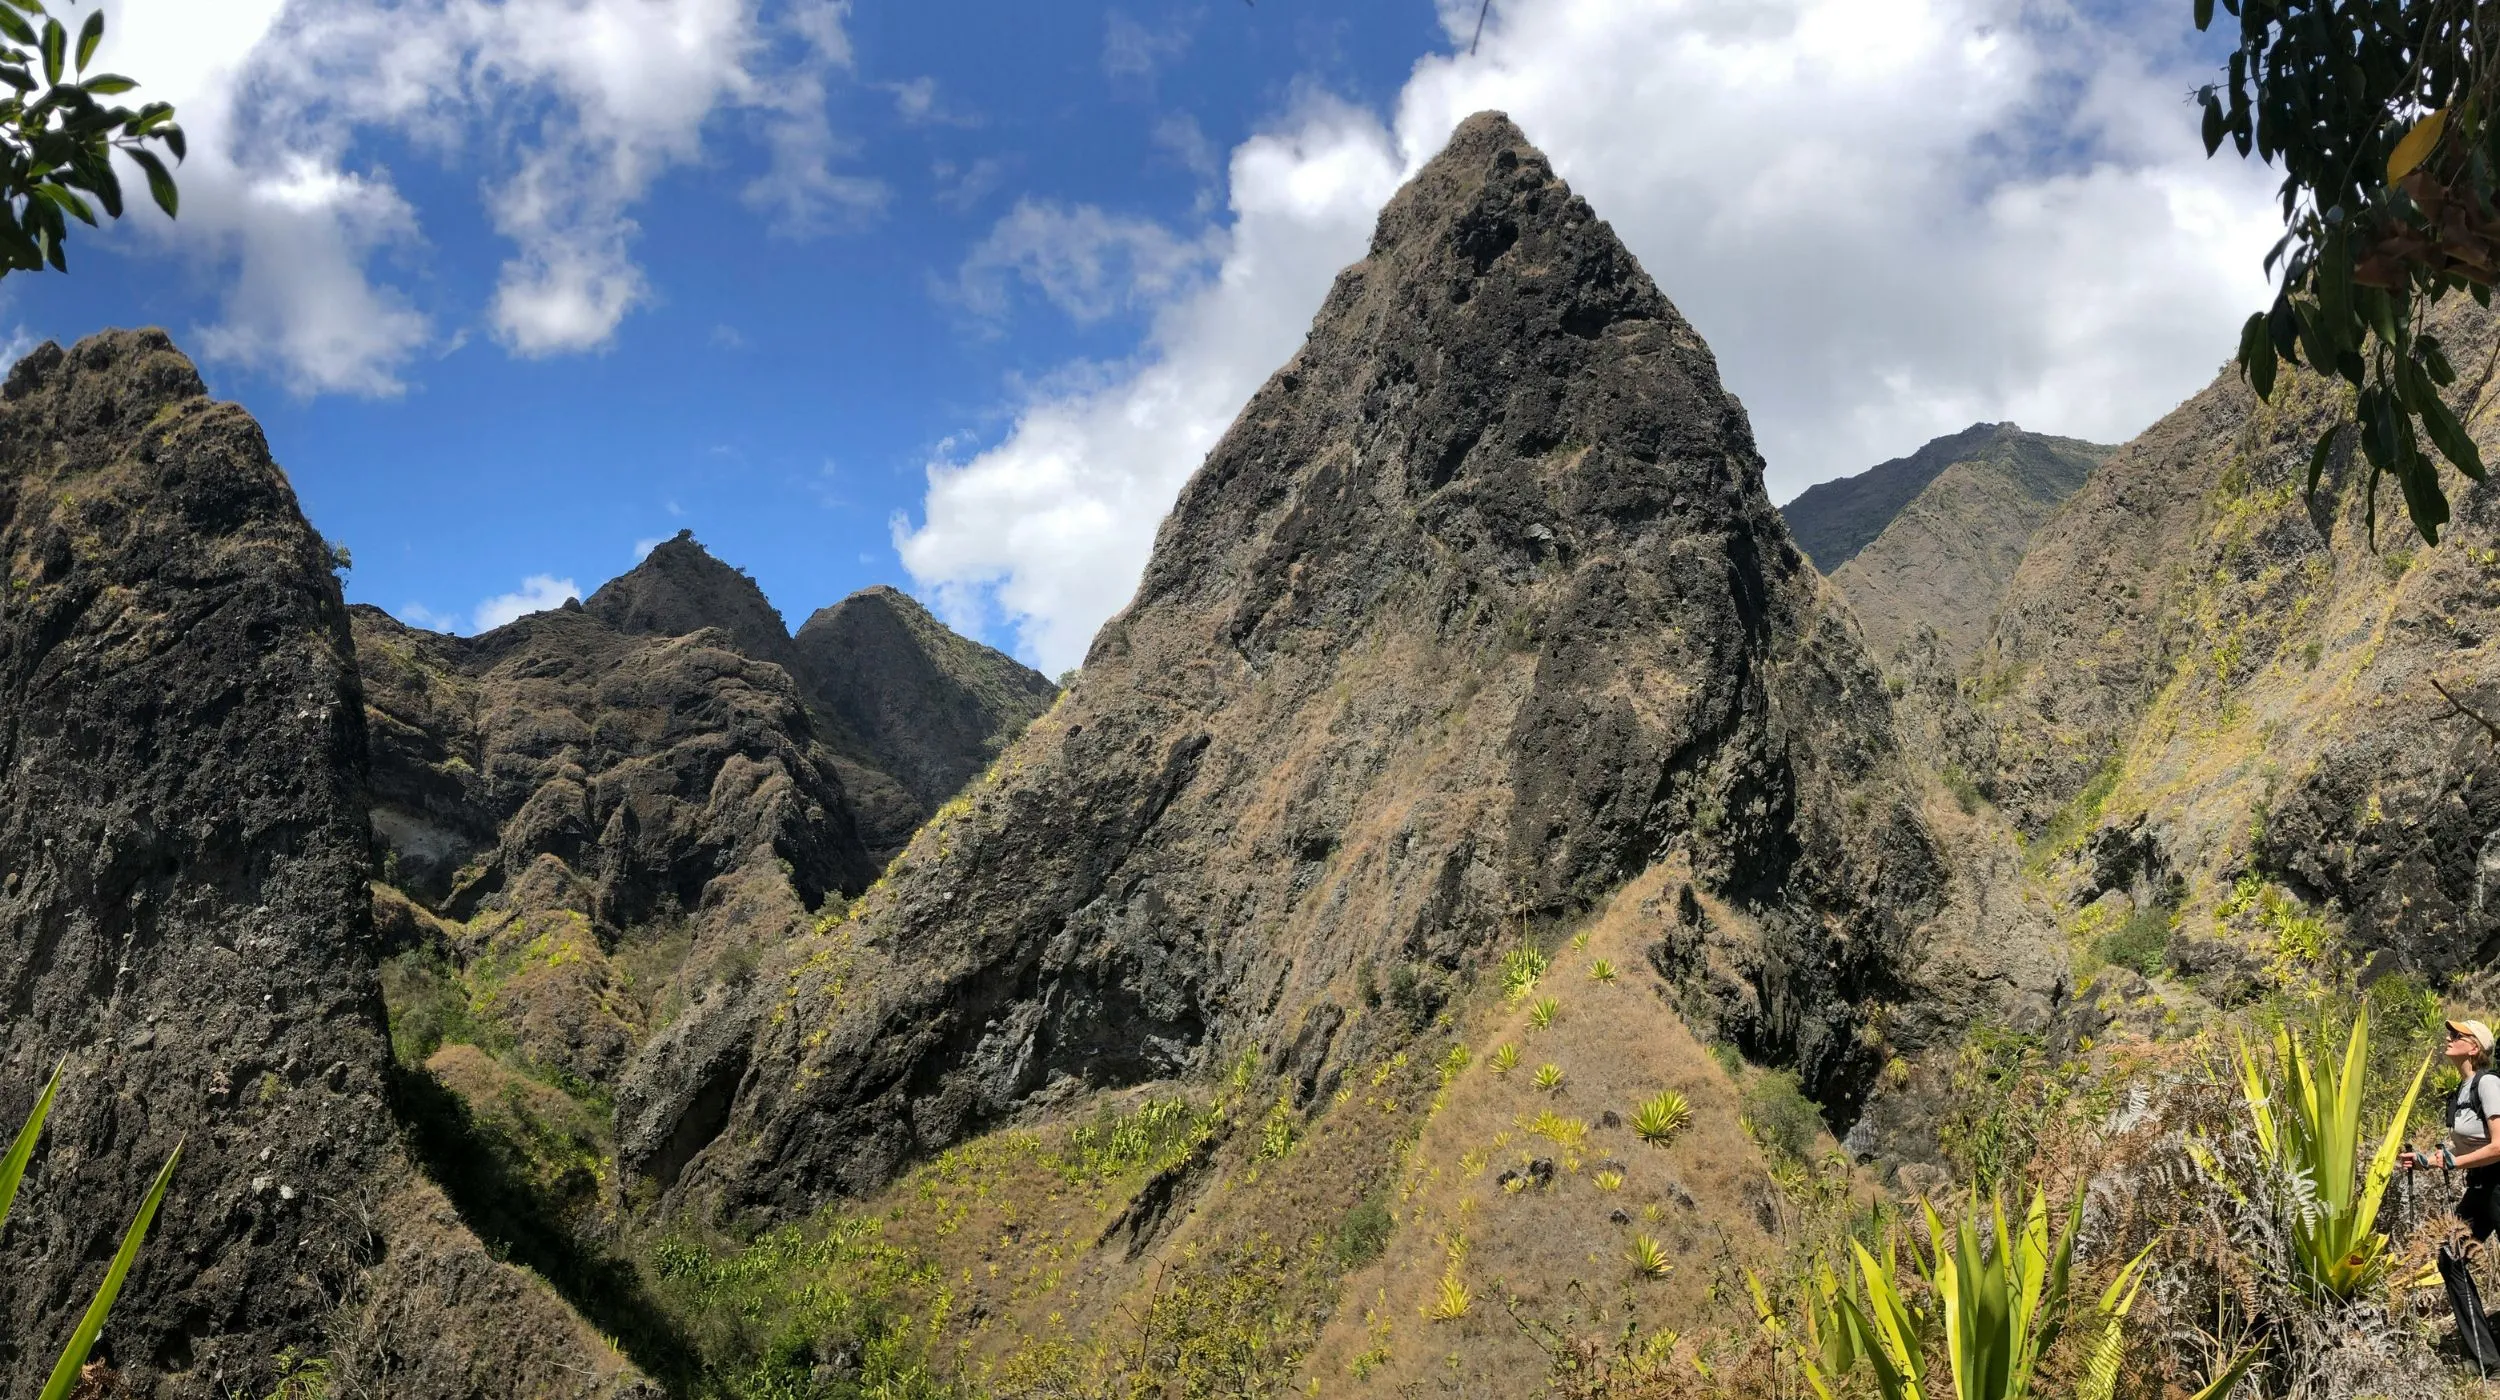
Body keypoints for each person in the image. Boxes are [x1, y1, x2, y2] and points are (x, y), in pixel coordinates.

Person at [2400, 1018, 2500, 1241]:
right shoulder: (2462, 1089)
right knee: (2451, 1254)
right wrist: (2426, 1161)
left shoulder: (2488, 1084)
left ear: (2474, 1047)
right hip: (2480, 1186)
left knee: (2453, 1251)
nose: (2448, 1038)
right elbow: (2469, 1148)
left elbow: (2499, 1146)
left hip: (2496, 1185)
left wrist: (2456, 1163)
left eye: (2456, 1036)